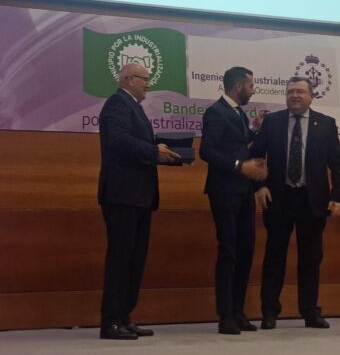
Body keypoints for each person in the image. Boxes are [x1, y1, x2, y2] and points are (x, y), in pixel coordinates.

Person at [251, 76, 340, 330]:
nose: (294, 95)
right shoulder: (272, 122)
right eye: (290, 91)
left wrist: (338, 196)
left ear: (311, 96)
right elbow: (256, 156)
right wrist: (259, 186)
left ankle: (310, 312)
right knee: (274, 257)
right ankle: (269, 312)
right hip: (278, 198)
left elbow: (337, 164)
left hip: (313, 200)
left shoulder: (326, 124)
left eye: (300, 92)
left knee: (311, 258)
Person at [97, 62, 182, 340]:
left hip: (140, 197)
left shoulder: (133, 106)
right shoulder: (117, 105)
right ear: (129, 79)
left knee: (135, 260)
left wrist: (164, 151)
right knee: (121, 259)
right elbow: (119, 141)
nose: (148, 84)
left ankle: (124, 317)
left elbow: (138, 144)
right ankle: (111, 322)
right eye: (145, 79)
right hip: (123, 195)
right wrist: (152, 150)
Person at [200, 66, 268, 334]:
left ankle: (238, 311)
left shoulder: (238, 113)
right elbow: (207, 150)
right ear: (239, 86)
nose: (253, 90)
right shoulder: (215, 112)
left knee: (246, 250)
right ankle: (225, 315)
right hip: (224, 190)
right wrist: (240, 165)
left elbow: (236, 143)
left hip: (243, 192)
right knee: (228, 251)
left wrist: (255, 131)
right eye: (251, 86)